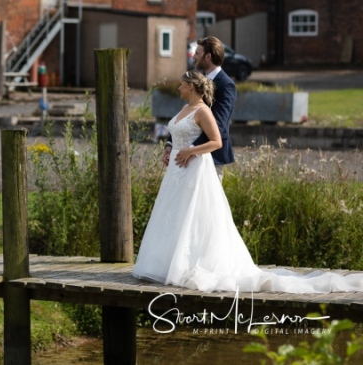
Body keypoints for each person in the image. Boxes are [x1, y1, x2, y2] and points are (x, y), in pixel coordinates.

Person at [133, 71, 363, 292]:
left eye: (182, 84)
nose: (178, 88)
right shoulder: (184, 108)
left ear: (191, 87)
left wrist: (191, 151)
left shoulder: (203, 111)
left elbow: (216, 142)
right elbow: (175, 133)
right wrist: (169, 147)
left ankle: (186, 265)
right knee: (172, 213)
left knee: (191, 214)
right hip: (175, 171)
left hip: (193, 170)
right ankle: (163, 264)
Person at [163, 37, 236, 181]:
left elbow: (218, 124)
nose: (194, 56)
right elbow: (186, 117)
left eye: (197, 53)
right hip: (184, 156)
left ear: (208, 56)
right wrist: (171, 144)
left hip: (211, 157)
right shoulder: (198, 82)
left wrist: (190, 149)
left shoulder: (226, 85)